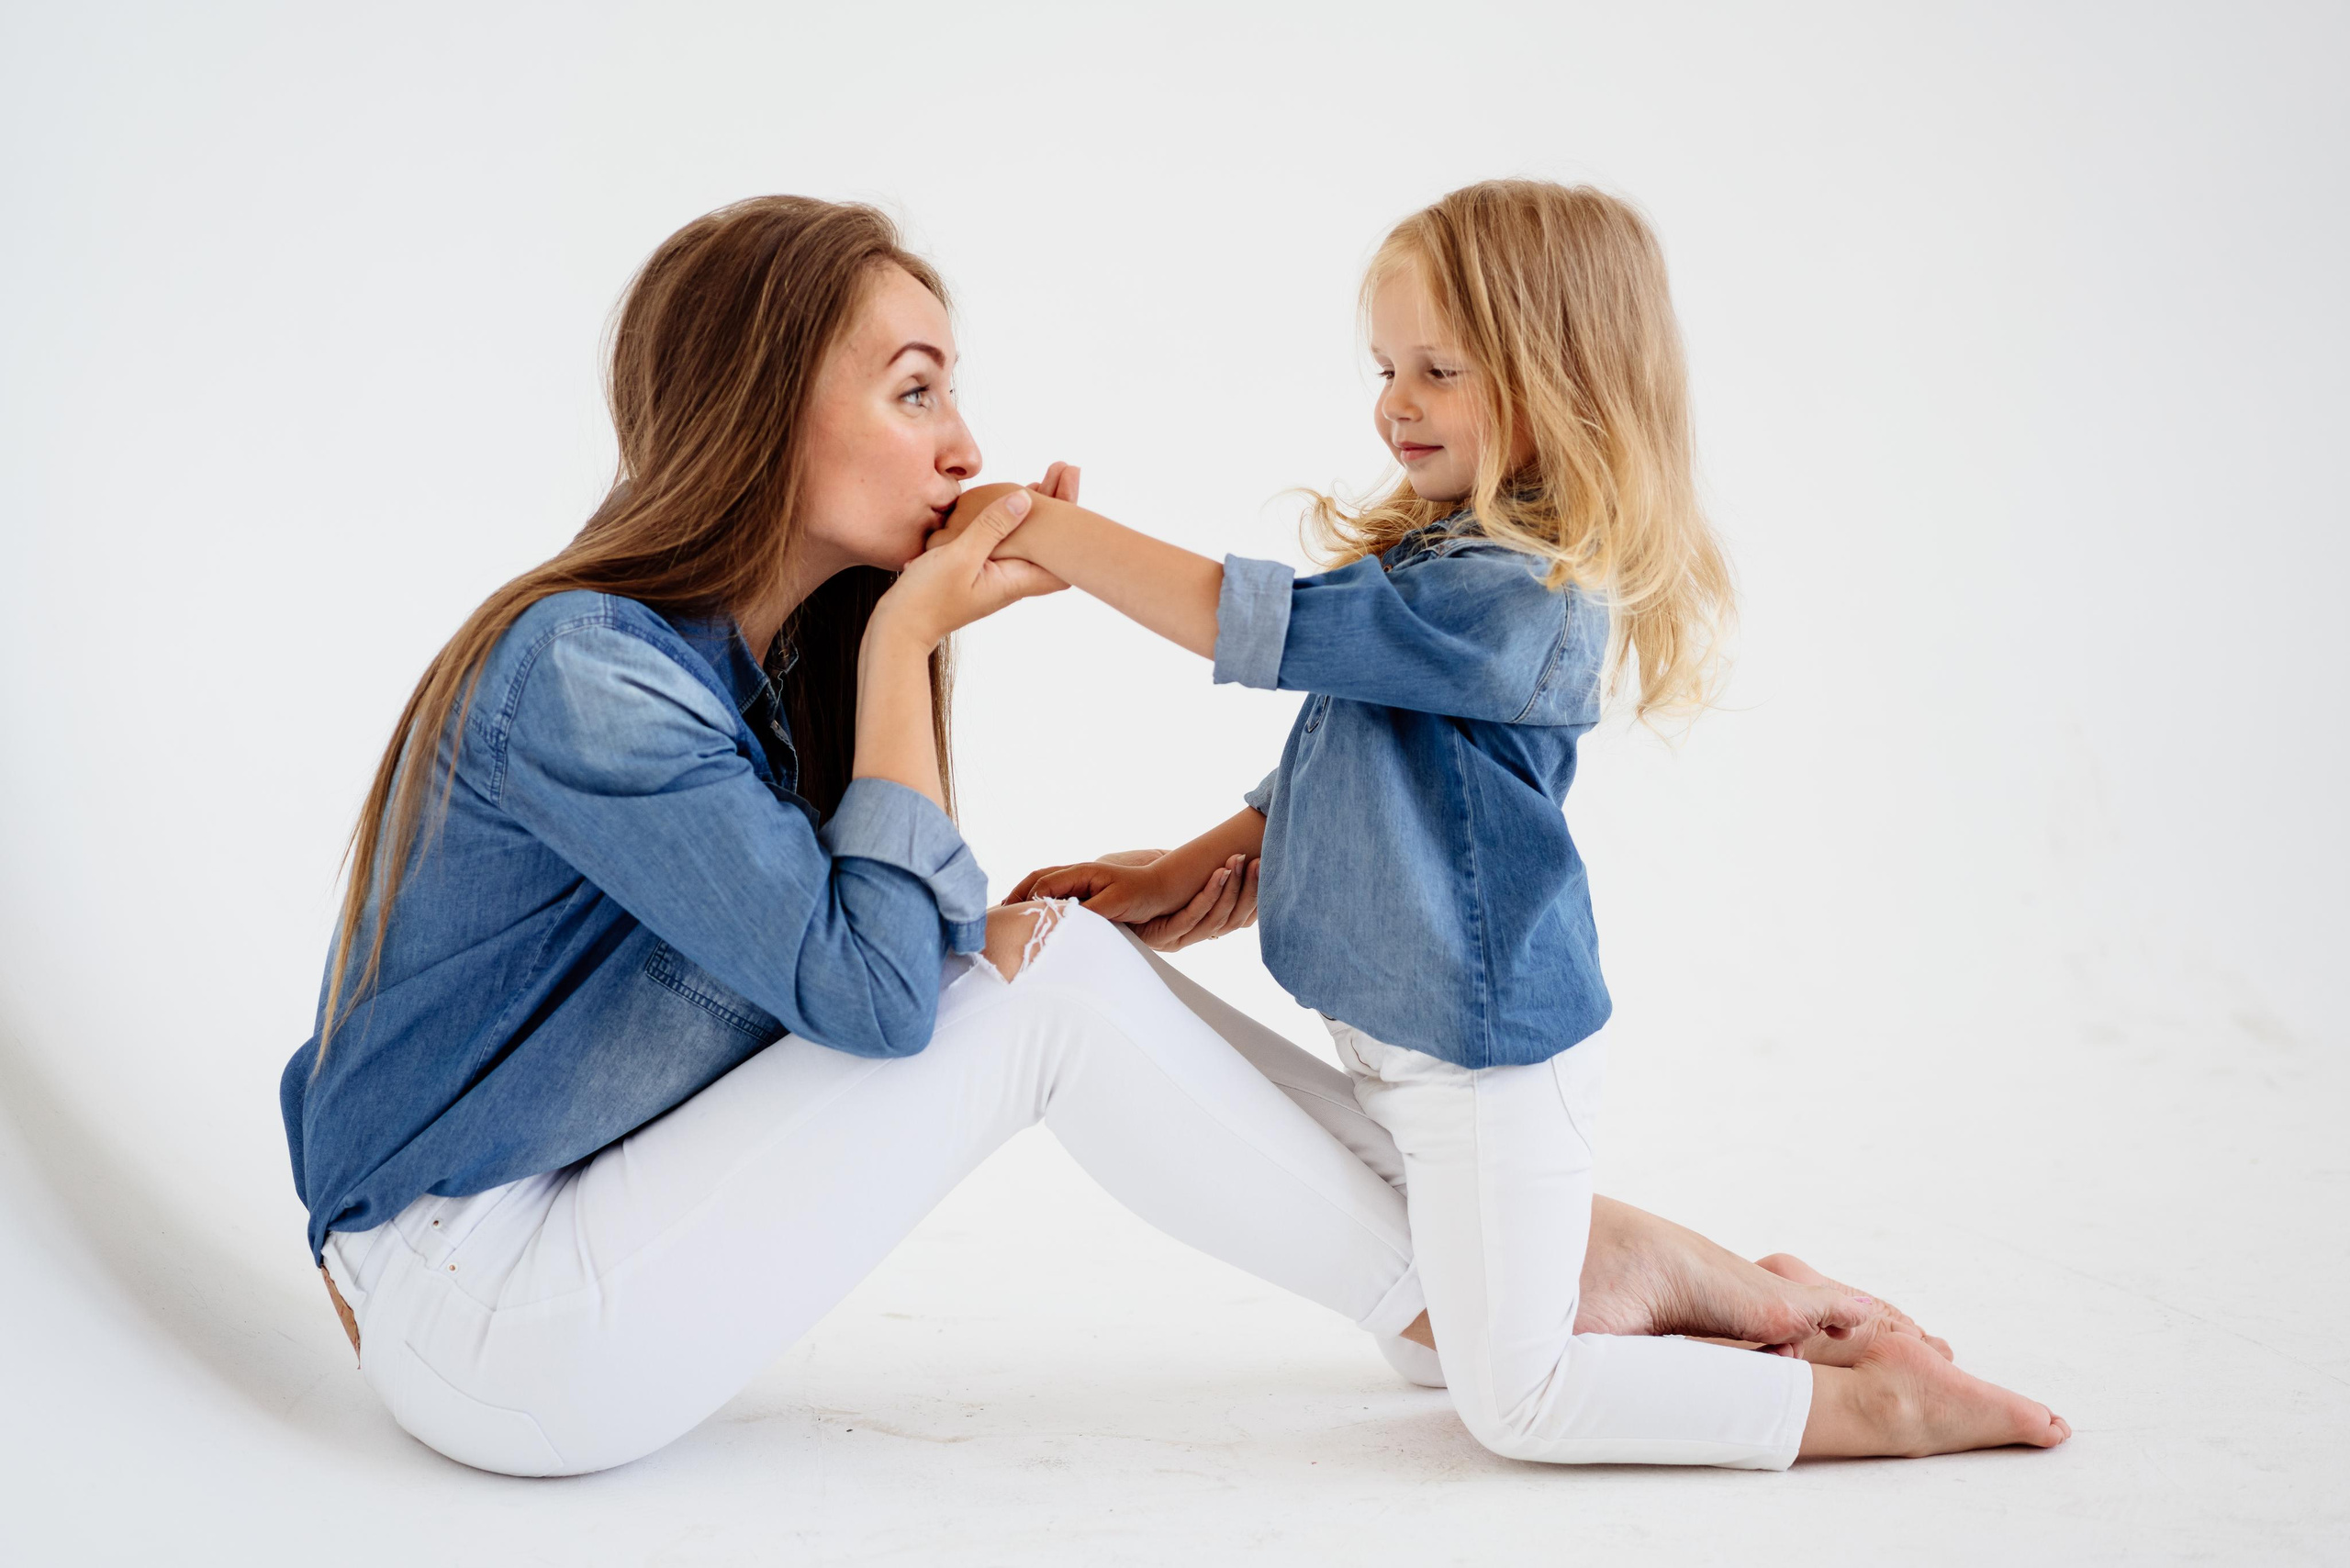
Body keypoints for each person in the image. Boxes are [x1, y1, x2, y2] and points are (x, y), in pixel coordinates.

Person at [278, 194, 1975, 1480]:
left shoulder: (763, 674)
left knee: (1052, 963)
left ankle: (1533, 1280)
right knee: (1044, 996)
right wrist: (906, 642)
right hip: (499, 1324)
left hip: (547, 1270)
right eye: (915, 390)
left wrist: (940, 718)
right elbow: (878, 1000)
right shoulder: (590, 673)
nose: (965, 445)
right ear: (759, 409)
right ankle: (1539, 1297)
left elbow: (872, 964)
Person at [973, 180, 2072, 1465]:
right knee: (1423, 1334)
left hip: (1484, 1060)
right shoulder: (1442, 562)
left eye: (1439, 371)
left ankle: (1881, 1407)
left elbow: (1255, 626)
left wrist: (1051, 533)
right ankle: (1662, 1267)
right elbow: (1335, 766)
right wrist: (1181, 872)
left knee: (1517, 1401)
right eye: (1387, 367)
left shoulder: (1517, 597)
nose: (1395, 403)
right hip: (1401, 1033)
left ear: (1566, 387)